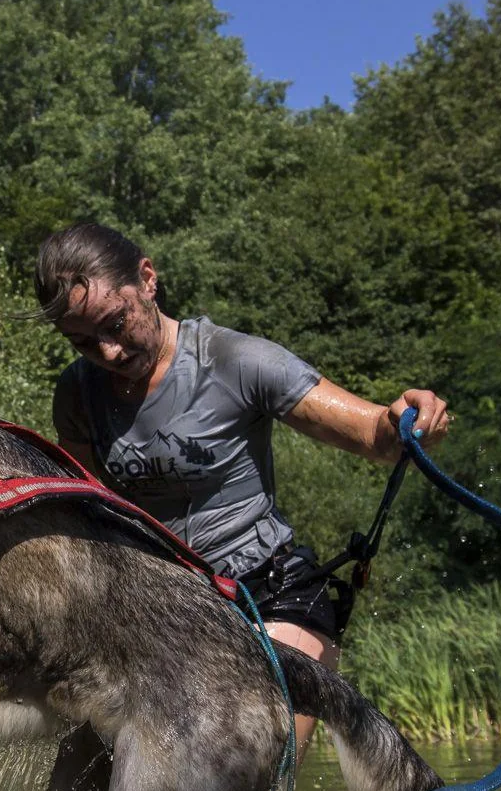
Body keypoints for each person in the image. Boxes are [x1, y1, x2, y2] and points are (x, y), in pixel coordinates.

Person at [36, 222, 451, 748]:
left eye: (116, 324)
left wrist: (409, 418)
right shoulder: (77, 393)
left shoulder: (238, 361)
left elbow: (376, 435)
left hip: (270, 593)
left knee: (241, 766)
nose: (109, 350)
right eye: (83, 341)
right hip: (160, 607)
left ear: (146, 279)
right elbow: (86, 509)